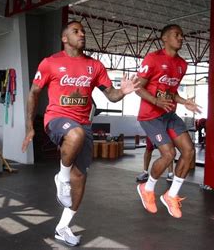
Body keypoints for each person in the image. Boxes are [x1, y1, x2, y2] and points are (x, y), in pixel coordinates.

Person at [21, 21, 139, 246]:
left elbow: (111, 96)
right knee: (75, 135)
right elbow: (34, 92)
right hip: (56, 118)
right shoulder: (51, 63)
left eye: (83, 31)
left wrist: (123, 92)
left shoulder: (95, 66)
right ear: (65, 38)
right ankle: (61, 177)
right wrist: (29, 126)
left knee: (80, 178)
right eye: (76, 31)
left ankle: (63, 227)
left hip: (84, 124)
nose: (82, 34)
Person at [135, 24, 201, 219]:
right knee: (169, 153)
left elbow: (171, 92)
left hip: (169, 114)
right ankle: (147, 189)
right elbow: (138, 88)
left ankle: (171, 195)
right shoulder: (153, 58)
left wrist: (184, 101)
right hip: (150, 115)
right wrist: (156, 101)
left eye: (182, 35)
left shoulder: (182, 64)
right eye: (176, 35)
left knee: (189, 151)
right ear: (164, 38)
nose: (180, 38)